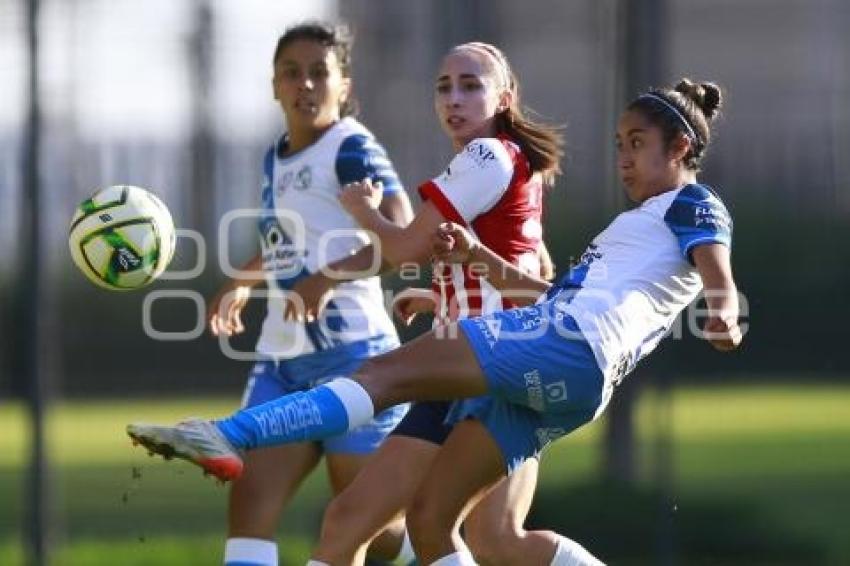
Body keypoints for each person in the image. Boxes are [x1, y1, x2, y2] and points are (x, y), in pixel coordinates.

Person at [129, 77, 741, 566]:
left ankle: (229, 435)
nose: (624, 158)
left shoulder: (688, 201)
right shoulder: (640, 225)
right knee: (432, 524)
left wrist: (723, 308)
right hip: (574, 376)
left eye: (636, 142)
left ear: (680, 148)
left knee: (383, 374)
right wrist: (472, 263)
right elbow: (554, 292)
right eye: (619, 144)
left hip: (556, 345)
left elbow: (715, 263)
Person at [199, 22, 415, 566]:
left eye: (320, 72)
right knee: (249, 514)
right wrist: (243, 282)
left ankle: (442, 547)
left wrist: (330, 277)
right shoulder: (275, 156)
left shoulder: (351, 146)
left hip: (356, 361)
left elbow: (404, 237)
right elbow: (290, 244)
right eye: (292, 73)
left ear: (344, 85)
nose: (306, 85)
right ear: (274, 86)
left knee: (376, 535)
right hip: (284, 362)